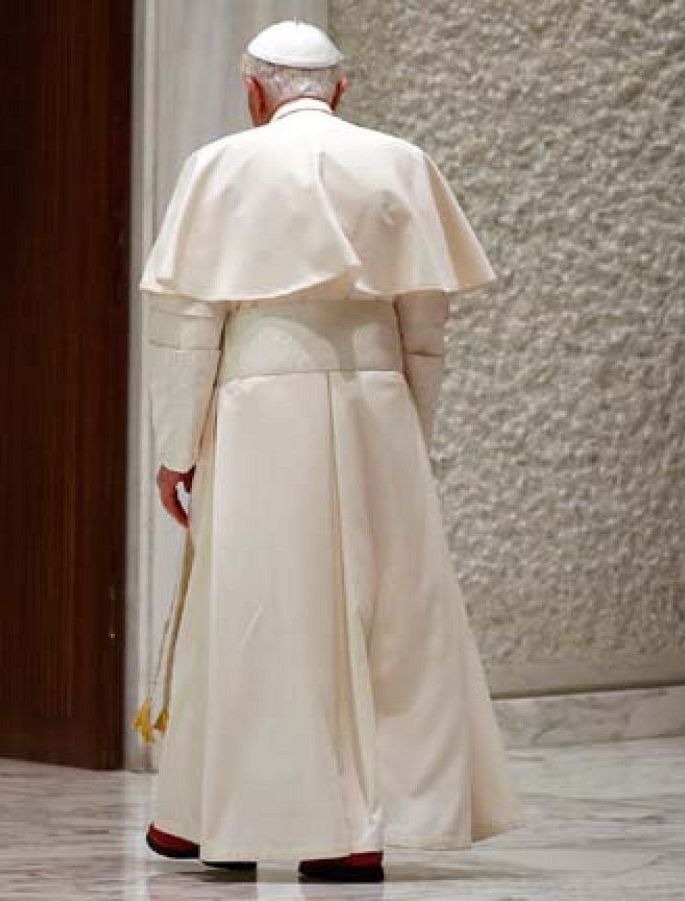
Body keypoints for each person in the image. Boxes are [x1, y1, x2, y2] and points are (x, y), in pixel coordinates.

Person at [135, 21, 523, 883]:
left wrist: (176, 448)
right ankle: (354, 829)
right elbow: (426, 319)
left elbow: (188, 325)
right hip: (376, 397)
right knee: (379, 612)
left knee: (255, 604)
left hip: (257, 399)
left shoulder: (220, 166)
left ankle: (211, 819)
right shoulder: (402, 162)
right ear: (340, 89)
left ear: (253, 91)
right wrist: (408, 434)